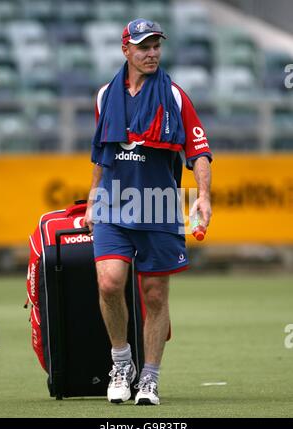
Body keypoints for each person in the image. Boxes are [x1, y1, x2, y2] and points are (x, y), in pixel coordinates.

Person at [84, 18, 212, 406]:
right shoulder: (106, 95)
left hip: (157, 204)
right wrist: (92, 196)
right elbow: (102, 153)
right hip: (112, 201)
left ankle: (150, 379)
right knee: (109, 282)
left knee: (154, 295)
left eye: (156, 45)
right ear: (126, 50)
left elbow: (199, 150)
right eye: (143, 46)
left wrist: (203, 196)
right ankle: (121, 363)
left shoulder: (174, 96)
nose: (152, 52)